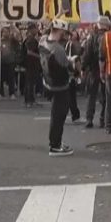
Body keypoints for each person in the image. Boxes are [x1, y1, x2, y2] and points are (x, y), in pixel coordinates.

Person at [39, 20, 75, 156]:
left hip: (48, 83)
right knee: (58, 117)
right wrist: (73, 64)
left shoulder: (42, 41)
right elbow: (67, 68)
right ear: (60, 31)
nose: (64, 36)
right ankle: (55, 145)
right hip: (60, 86)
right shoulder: (58, 49)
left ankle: (56, 142)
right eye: (64, 33)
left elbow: (45, 32)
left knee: (56, 115)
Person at [81, 18, 109, 128]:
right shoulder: (108, 37)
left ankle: (89, 119)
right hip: (106, 69)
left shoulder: (92, 37)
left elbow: (86, 54)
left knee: (91, 96)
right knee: (105, 95)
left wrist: (83, 68)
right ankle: (103, 118)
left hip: (93, 70)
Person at [22, 26, 42, 107]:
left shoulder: (30, 39)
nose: (37, 30)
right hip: (31, 64)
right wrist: (40, 56)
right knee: (30, 83)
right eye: (35, 29)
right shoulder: (31, 40)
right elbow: (29, 52)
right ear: (31, 30)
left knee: (31, 82)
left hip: (31, 64)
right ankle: (29, 101)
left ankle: (31, 100)